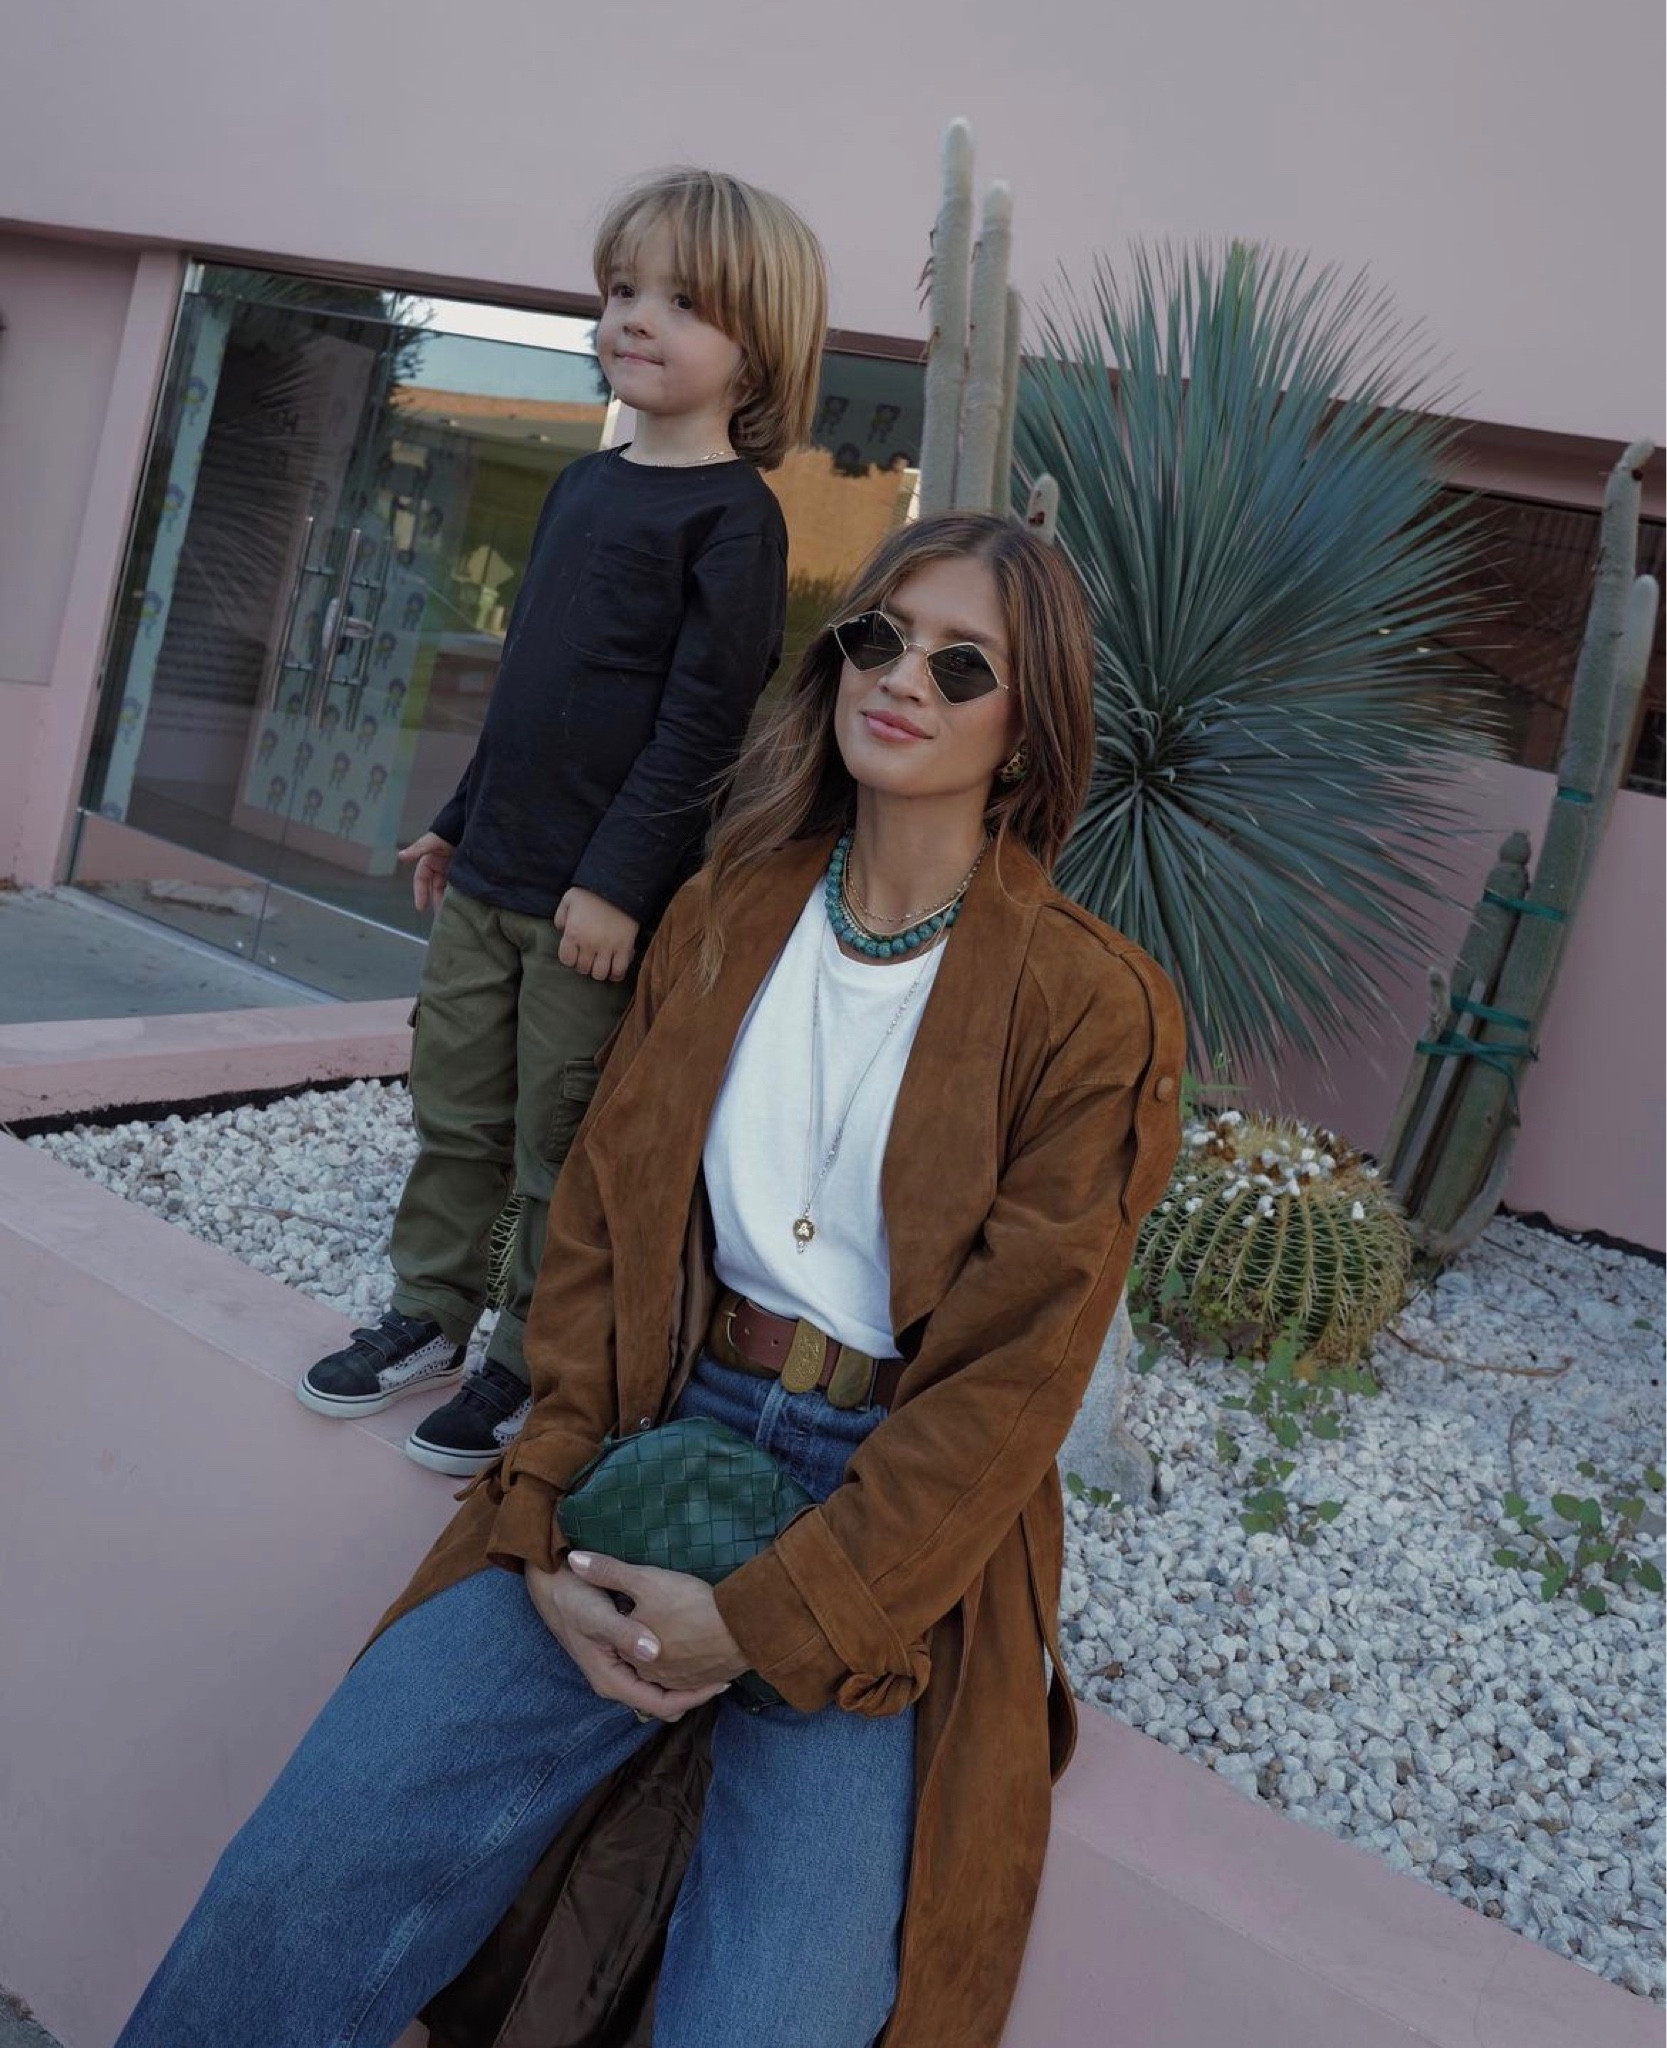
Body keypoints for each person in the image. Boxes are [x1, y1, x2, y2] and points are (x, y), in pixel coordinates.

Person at [118, 513, 1185, 2048]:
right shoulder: (727, 911)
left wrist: (763, 1621)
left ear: (1026, 739)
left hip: (886, 1522)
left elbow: (1016, 1383)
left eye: (965, 667)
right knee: (309, 1869)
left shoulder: (1096, 1006)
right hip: (653, 1424)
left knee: (773, 2017)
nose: (905, 681)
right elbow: (605, 1238)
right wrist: (549, 1488)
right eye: (878, 638)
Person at [297, 168, 828, 1476]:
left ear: (756, 346)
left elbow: (702, 730)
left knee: (557, 1146)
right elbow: (530, 687)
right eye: (621, 290)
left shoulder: (735, 522)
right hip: (494, 880)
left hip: (593, 911)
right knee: (458, 1110)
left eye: (683, 301)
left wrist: (617, 885)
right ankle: (429, 1310)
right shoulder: (584, 489)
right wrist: (458, 819)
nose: (636, 318)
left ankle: (527, 1363)